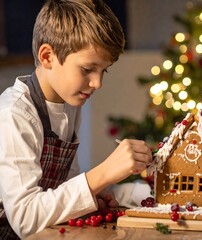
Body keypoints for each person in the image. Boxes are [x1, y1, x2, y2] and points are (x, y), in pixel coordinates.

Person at [0, 0, 152, 239]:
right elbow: (25, 218)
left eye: (104, 71)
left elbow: (63, 186)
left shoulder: (69, 105)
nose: (97, 83)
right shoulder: (15, 114)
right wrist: (102, 174)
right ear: (48, 56)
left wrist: (93, 195)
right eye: (87, 69)